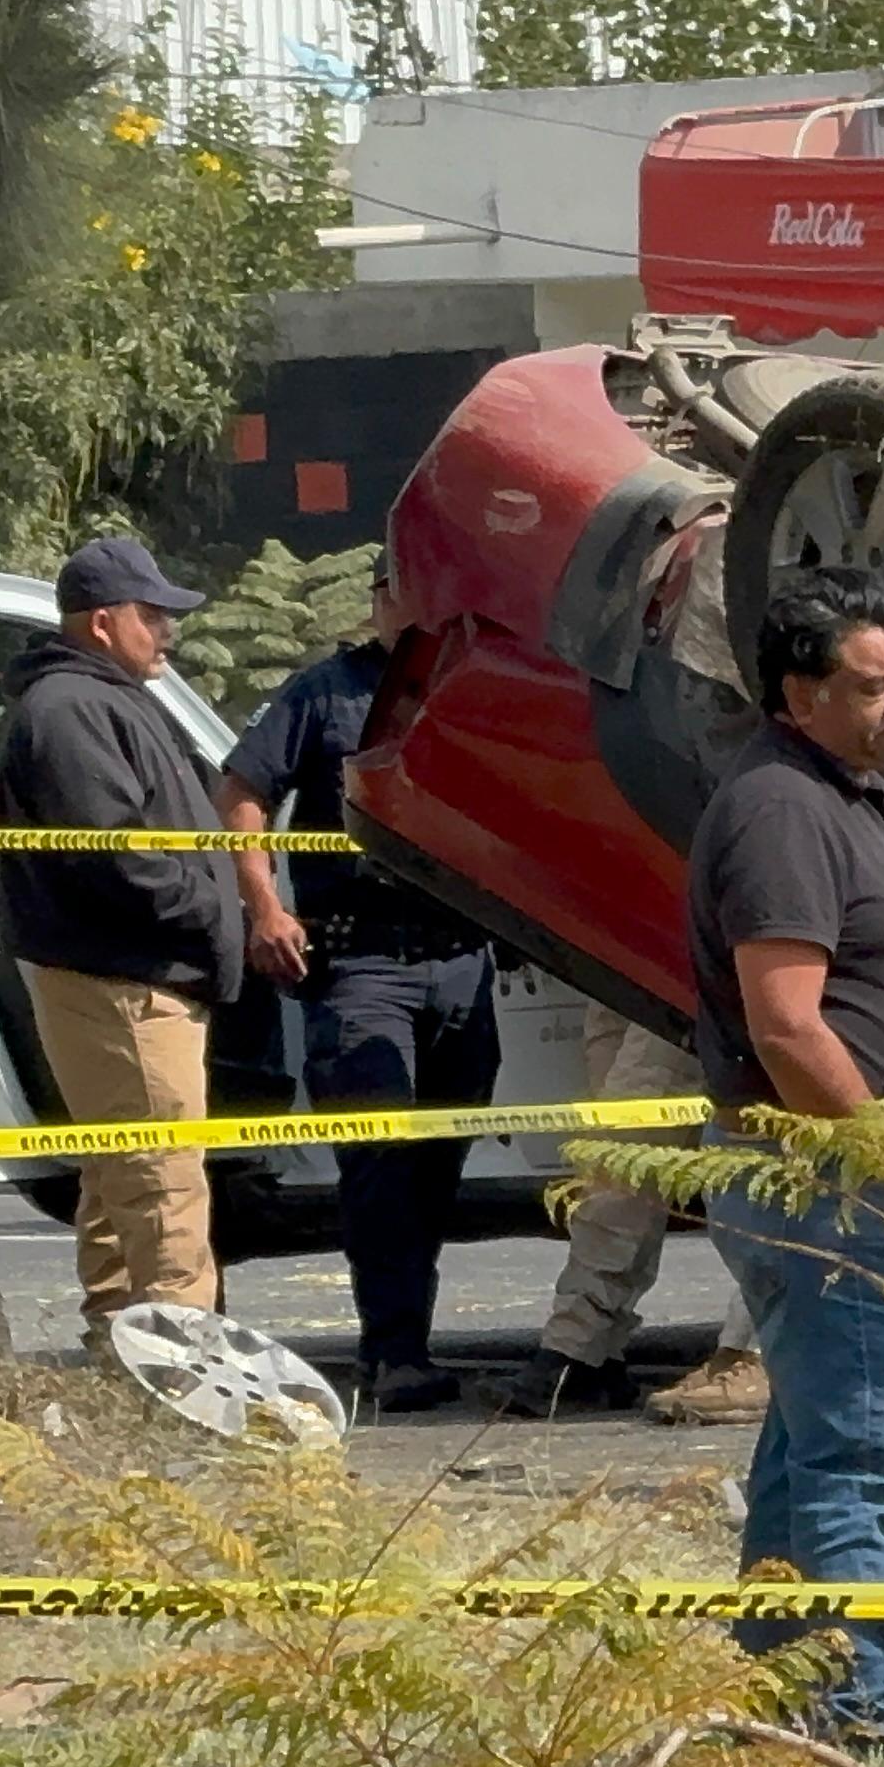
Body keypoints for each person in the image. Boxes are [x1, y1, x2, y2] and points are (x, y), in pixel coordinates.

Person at [687, 564, 884, 1765]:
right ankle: (877, 1717)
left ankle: (772, 1689)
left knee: (810, 1448)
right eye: (872, 685)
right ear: (797, 693)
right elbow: (787, 1023)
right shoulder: (781, 812)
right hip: (825, 1183)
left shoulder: (843, 793)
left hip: (837, 1179)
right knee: (864, 1456)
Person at [215, 568, 500, 1413]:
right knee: (379, 1166)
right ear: (377, 600)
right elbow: (241, 791)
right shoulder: (324, 691)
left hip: (461, 960)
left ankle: (408, 1341)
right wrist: (266, 907)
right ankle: (393, 1354)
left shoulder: (469, 688)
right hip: (362, 963)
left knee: (436, 1170)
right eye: (393, 591)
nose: (407, 607)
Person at [0, 533, 246, 1347]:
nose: (168, 629)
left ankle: (117, 1343)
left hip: (129, 975)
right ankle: (180, 1356)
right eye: (152, 613)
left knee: (118, 1171)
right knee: (162, 1179)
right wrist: (207, 910)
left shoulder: (98, 697)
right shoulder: (71, 708)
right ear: (102, 623)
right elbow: (114, 854)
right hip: (124, 980)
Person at [494, 999, 771, 1426]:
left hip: (678, 981)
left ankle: (576, 1346)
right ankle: (596, 1355)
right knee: (613, 1158)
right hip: (617, 980)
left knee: (623, 1157)